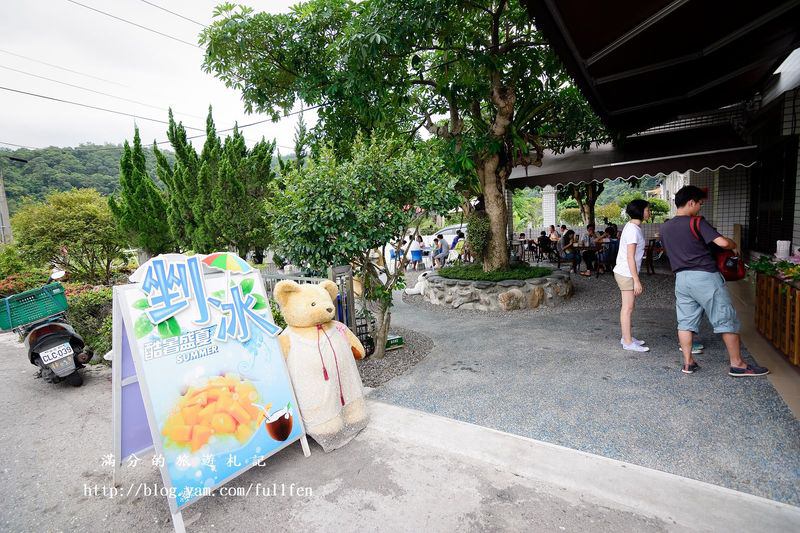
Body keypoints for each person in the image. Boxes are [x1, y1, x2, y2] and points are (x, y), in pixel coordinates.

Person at [660, 186, 768, 377]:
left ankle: (688, 362)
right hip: (705, 277)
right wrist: (733, 244)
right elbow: (723, 244)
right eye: (700, 203)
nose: (700, 208)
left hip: (682, 279)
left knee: (685, 321)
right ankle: (738, 365)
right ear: (691, 202)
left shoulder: (665, 227)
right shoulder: (696, 222)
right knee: (725, 318)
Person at [614, 199, 651, 352]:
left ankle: (626, 337)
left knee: (629, 307)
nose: (649, 212)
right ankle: (628, 342)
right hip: (626, 273)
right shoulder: (633, 230)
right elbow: (630, 257)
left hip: (625, 272)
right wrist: (636, 280)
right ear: (640, 211)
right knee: (627, 308)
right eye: (648, 210)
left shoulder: (632, 227)